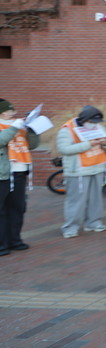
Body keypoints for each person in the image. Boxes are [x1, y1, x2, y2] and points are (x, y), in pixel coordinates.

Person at [57, 105, 106, 238]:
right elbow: (64, 149)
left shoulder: (99, 127)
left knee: (96, 198)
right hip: (78, 169)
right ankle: (71, 227)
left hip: (97, 166)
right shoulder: (68, 128)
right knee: (76, 200)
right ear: (85, 120)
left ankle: (94, 222)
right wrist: (89, 144)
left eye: (96, 122)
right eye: (92, 122)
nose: (94, 125)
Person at [0, 99, 39, 254]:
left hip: (19, 171)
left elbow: (32, 145)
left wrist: (32, 130)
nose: (14, 113)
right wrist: (14, 127)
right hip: (2, 174)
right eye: (10, 110)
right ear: (2, 112)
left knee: (17, 208)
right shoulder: (12, 125)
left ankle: (15, 240)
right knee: (1, 209)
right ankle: (1, 244)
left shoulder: (18, 125)